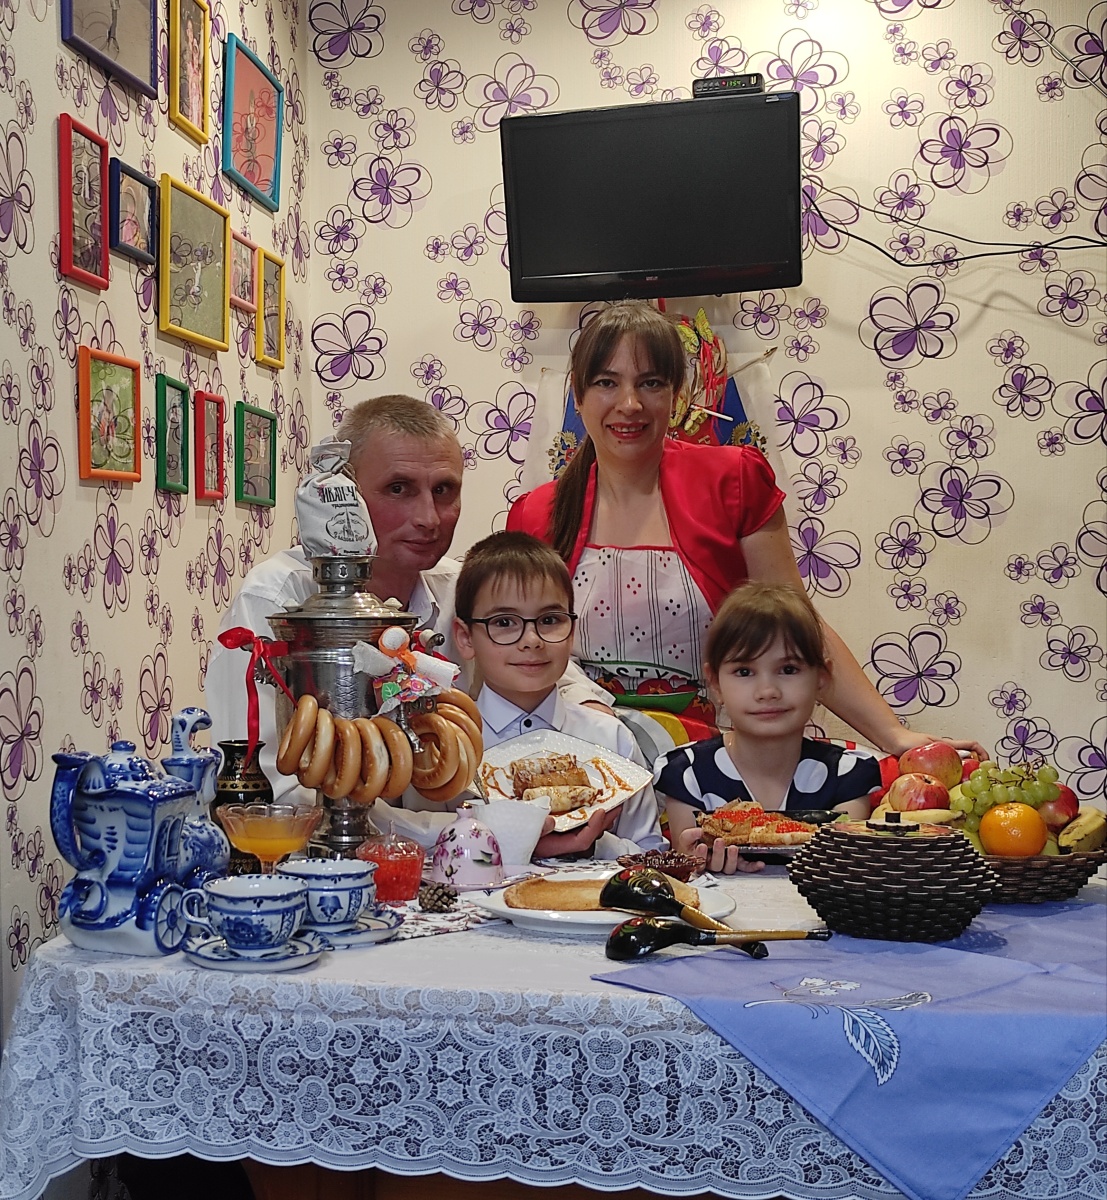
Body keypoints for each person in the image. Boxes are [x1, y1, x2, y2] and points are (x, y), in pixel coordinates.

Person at [508, 301, 986, 761]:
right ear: (578, 396)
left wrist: (894, 734)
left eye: (650, 383)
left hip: (709, 767)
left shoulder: (731, 481)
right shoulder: (535, 515)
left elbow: (796, 625)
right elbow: (515, 659)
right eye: (607, 383)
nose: (629, 403)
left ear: (676, 395)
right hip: (584, 765)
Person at [205, 395, 610, 807]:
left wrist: (590, 707)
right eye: (398, 489)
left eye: (444, 490)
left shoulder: (458, 587)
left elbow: (543, 657)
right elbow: (263, 791)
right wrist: (436, 831)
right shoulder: (276, 601)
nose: (428, 518)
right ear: (347, 491)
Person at [448, 531, 665, 859]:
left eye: (549, 620)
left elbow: (651, 854)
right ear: (466, 638)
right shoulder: (450, 746)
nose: (532, 640)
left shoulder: (611, 740)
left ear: (572, 630)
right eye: (504, 622)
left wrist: (594, 845)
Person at [656, 582, 896, 874]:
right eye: (744, 671)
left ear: (821, 678)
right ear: (715, 682)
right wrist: (698, 865)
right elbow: (686, 868)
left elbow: (843, 867)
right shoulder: (687, 772)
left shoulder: (848, 775)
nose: (767, 691)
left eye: (788, 669)